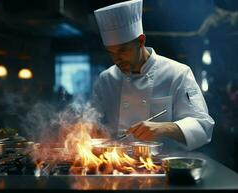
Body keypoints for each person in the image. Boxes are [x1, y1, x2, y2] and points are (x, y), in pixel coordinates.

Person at [92, 0, 215, 151]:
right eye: (111, 53)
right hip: (116, 165)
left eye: (123, 51)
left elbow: (203, 126)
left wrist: (164, 128)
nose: (117, 60)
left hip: (161, 165)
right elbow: (91, 121)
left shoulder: (177, 74)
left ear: (141, 41)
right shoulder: (106, 79)